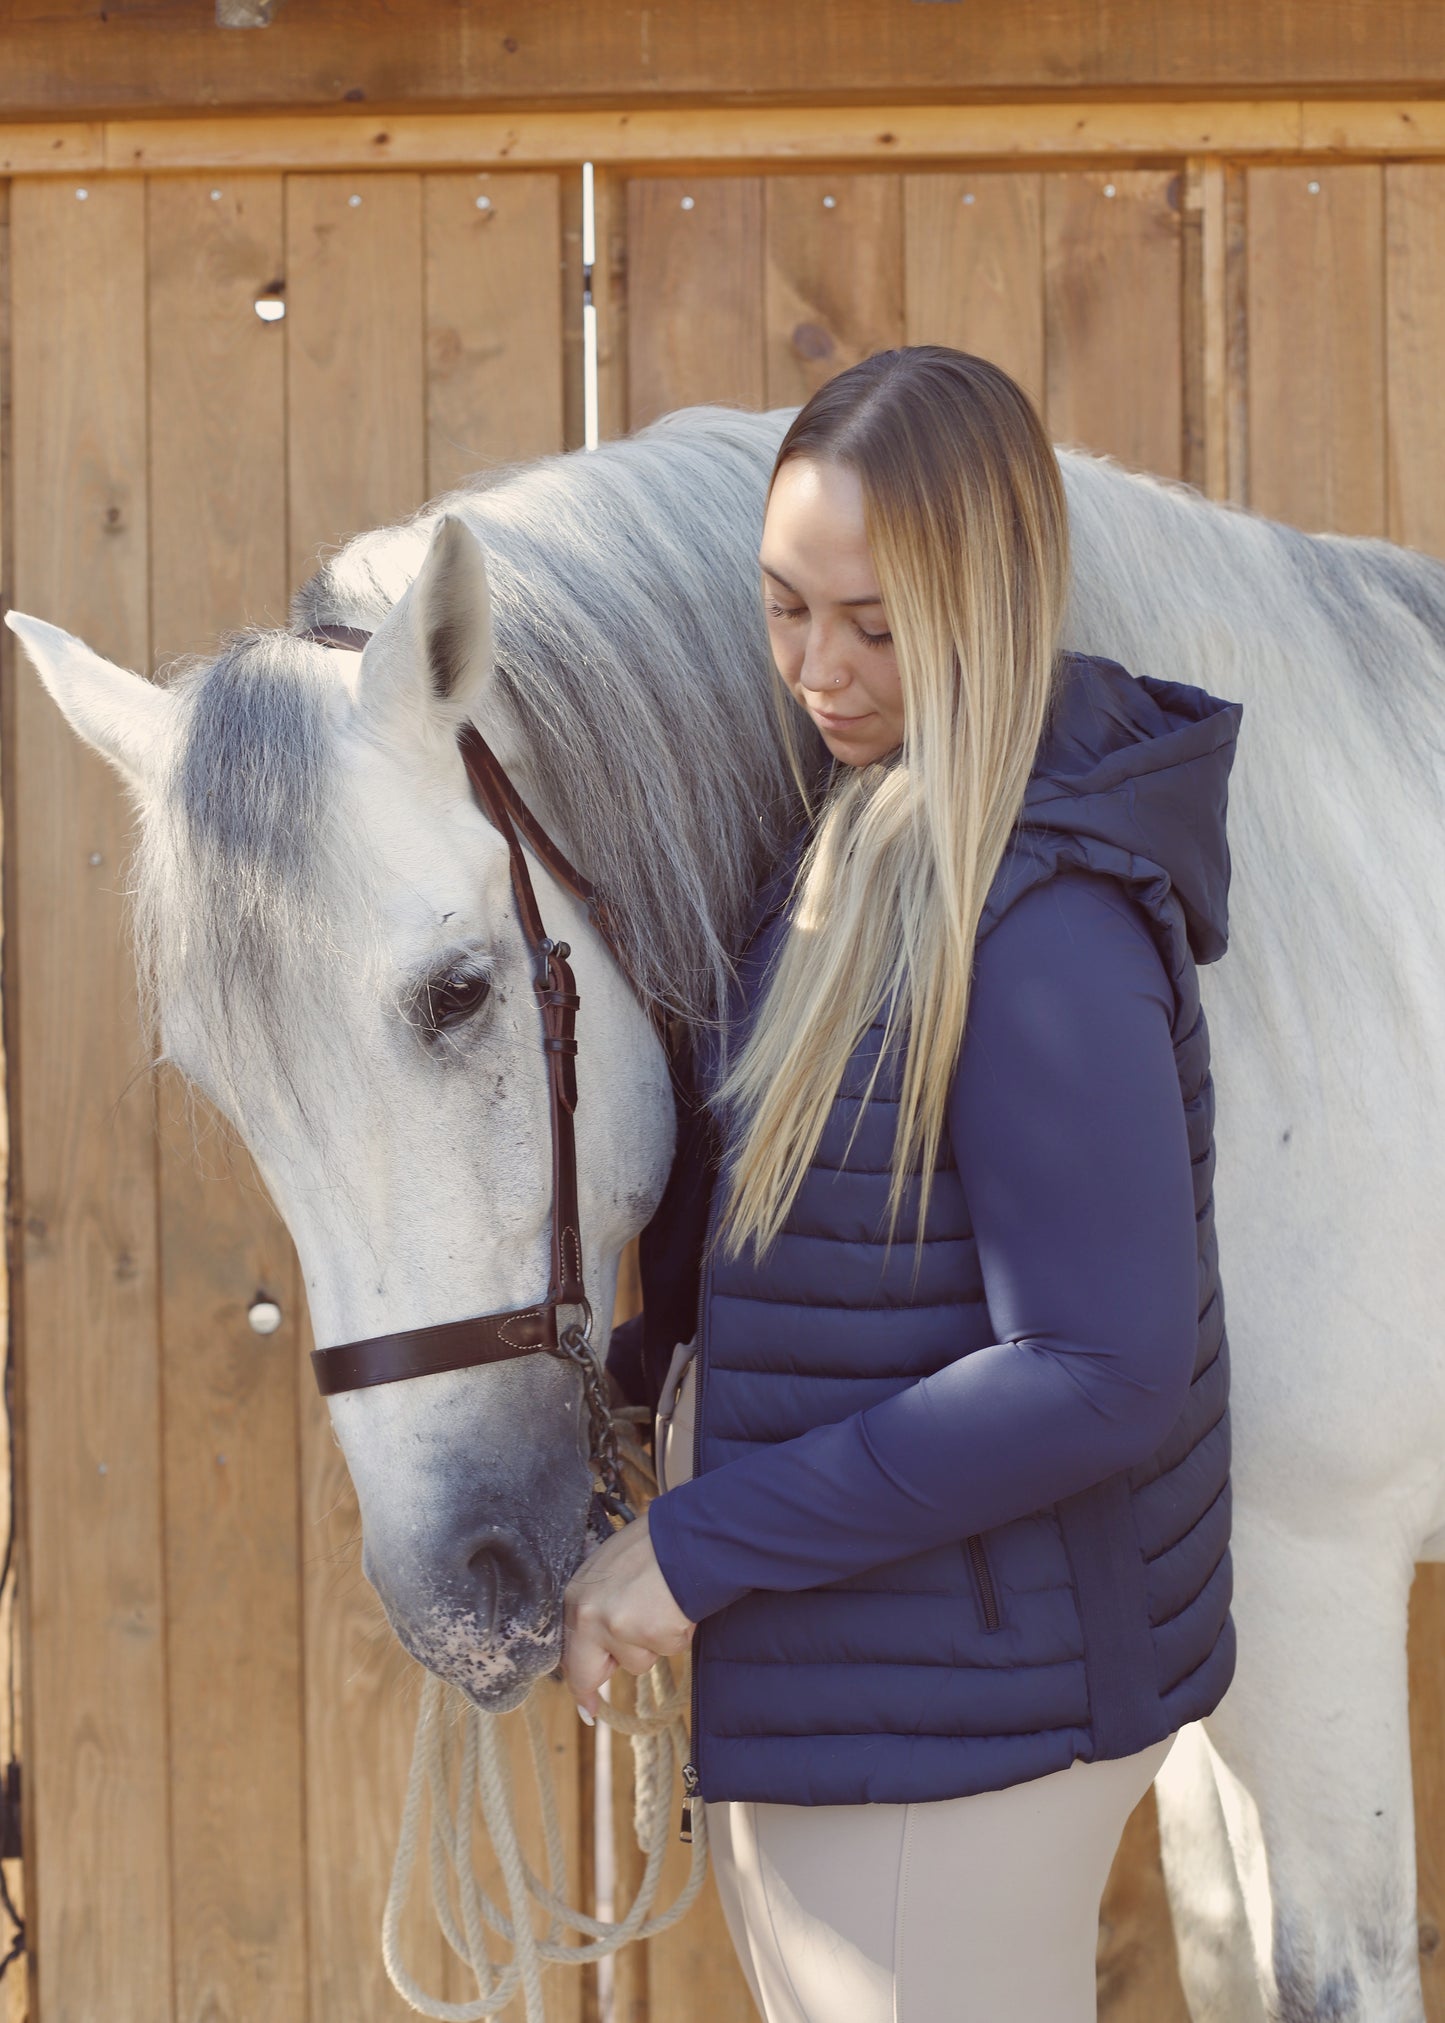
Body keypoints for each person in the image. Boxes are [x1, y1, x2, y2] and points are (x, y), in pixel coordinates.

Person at [561, 345, 1241, 2022]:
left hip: (962, 1722)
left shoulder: (1039, 922)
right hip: (886, 1674)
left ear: (991, 598)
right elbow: (849, 1265)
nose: (819, 669)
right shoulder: (867, 834)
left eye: (873, 623)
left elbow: (1102, 1369)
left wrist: (699, 1544)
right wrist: (635, 1395)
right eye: (786, 609)